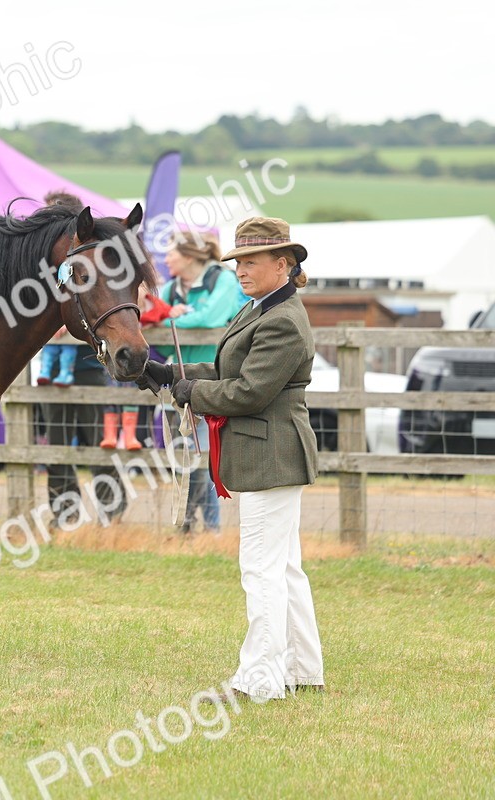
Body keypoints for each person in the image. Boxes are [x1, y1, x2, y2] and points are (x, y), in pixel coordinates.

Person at [138, 216, 324, 701]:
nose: (240, 270)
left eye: (251, 262)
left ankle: (260, 681)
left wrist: (191, 392)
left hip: (272, 454)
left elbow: (248, 392)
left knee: (261, 568)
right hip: (271, 453)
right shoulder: (260, 310)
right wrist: (164, 372)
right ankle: (302, 669)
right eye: (238, 261)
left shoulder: (282, 321)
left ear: (282, 264)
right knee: (283, 567)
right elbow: (226, 369)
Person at [36, 191, 129, 528]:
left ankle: (111, 510)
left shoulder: (92, 255)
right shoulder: (38, 266)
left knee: (97, 440)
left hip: (89, 364)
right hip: (50, 371)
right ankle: (65, 513)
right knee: (56, 444)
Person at [156, 231, 249, 534]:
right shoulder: (170, 288)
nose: (167, 258)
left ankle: (212, 528)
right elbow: (153, 319)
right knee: (184, 457)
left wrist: (173, 317)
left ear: (189, 256)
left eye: (171, 252)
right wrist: (168, 315)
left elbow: (212, 316)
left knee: (208, 457)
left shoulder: (221, 279)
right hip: (179, 382)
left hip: (215, 379)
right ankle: (185, 524)